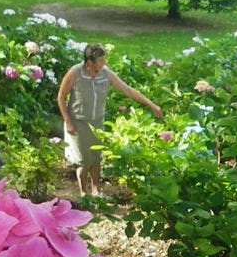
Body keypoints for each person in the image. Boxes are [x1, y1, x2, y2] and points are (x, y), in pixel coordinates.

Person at [57, 44, 162, 197]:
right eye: (100, 60)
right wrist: (68, 121)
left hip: (97, 122)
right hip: (78, 122)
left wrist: (151, 105)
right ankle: (83, 194)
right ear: (89, 62)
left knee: (96, 158)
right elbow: (61, 96)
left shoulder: (105, 73)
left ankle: (96, 190)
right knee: (83, 160)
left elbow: (127, 89)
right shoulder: (75, 73)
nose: (104, 63)